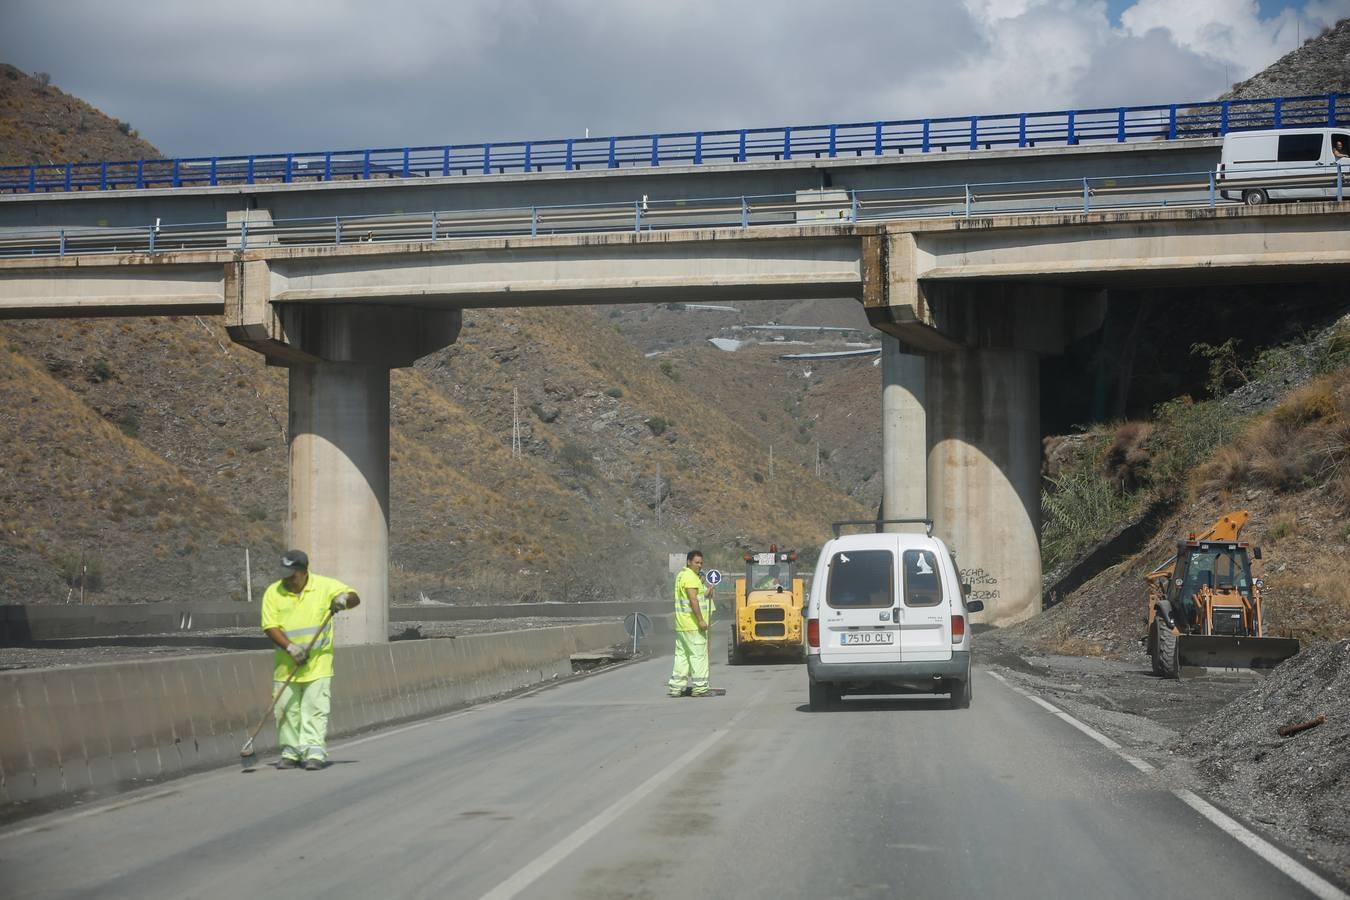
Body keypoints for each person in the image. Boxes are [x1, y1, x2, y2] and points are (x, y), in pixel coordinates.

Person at [261, 549, 360, 771]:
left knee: (314, 709)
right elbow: (269, 626)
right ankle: (290, 751)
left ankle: (313, 751)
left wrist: (343, 599)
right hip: (287, 664)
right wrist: (290, 648)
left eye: (292, 574)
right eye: (283, 573)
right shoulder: (273, 593)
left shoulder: (324, 586)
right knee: (286, 709)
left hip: (318, 664)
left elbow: (355, 597)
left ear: (304, 572)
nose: (287, 578)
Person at [668, 550, 715, 698]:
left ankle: (676, 688)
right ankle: (700, 688)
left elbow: (697, 596)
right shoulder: (690, 577)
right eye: (696, 562)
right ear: (689, 562)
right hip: (693, 626)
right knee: (698, 656)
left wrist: (707, 592)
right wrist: (701, 620)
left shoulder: (681, 576)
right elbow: (693, 600)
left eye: (701, 563)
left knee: (682, 656)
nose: (699, 566)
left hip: (682, 625)